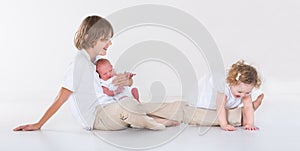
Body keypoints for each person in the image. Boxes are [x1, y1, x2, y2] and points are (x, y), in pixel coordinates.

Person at [13, 15, 168, 131]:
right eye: (105, 39)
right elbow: (61, 97)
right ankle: (156, 121)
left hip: (106, 109)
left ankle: (166, 116)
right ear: (90, 38)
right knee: (127, 107)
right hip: (96, 118)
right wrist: (39, 124)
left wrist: (127, 82)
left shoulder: (93, 63)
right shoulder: (79, 63)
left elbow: (113, 85)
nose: (110, 43)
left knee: (138, 104)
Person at [196, 60, 264, 131]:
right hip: (210, 105)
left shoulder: (244, 91)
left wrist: (250, 123)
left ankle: (244, 117)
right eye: (239, 92)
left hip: (228, 105)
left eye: (247, 92)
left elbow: (248, 106)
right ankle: (242, 116)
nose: (243, 95)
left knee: (244, 109)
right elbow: (220, 107)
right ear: (231, 83)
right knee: (213, 117)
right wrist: (224, 124)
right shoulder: (223, 89)